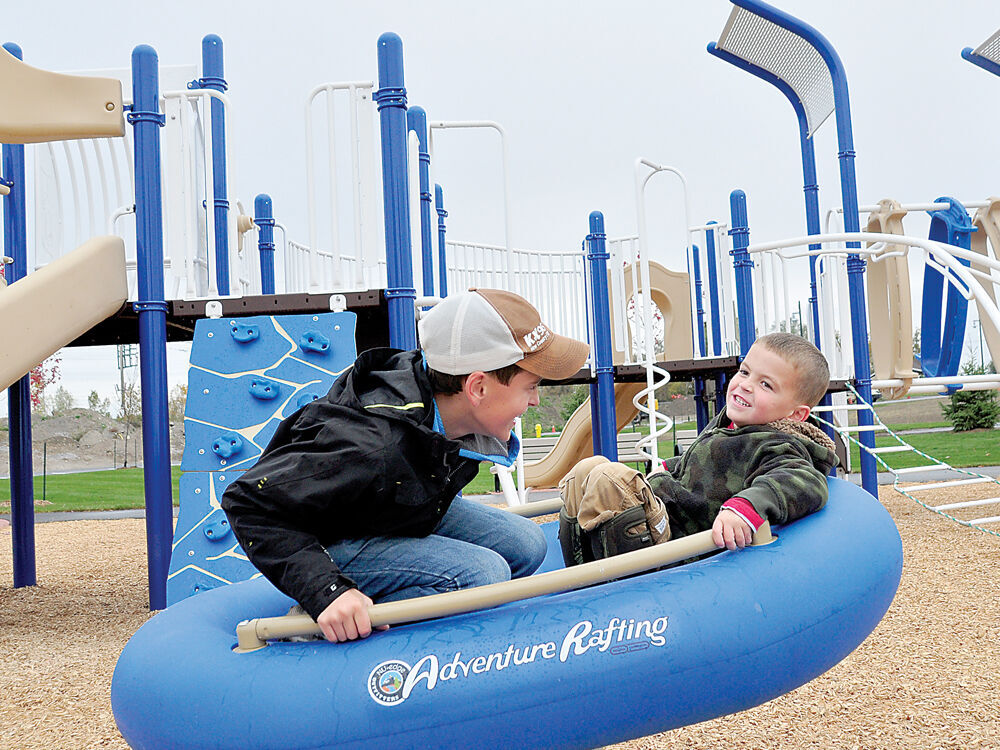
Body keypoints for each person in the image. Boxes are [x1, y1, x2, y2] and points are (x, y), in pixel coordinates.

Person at [221, 288, 589, 643]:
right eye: (531, 386)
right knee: (485, 575)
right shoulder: (371, 445)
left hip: (391, 512)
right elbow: (248, 503)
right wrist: (326, 590)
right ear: (477, 388)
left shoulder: (449, 410)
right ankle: (318, 618)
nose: (538, 400)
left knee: (526, 544)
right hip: (332, 540)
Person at [558, 332, 837, 564]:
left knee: (610, 480)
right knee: (587, 469)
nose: (746, 385)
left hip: (675, 544)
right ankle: (579, 565)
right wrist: (670, 467)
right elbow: (700, 462)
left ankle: (613, 576)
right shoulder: (728, 424)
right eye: (745, 372)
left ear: (795, 414)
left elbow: (805, 481)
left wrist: (746, 507)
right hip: (663, 515)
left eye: (766, 384)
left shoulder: (778, 446)